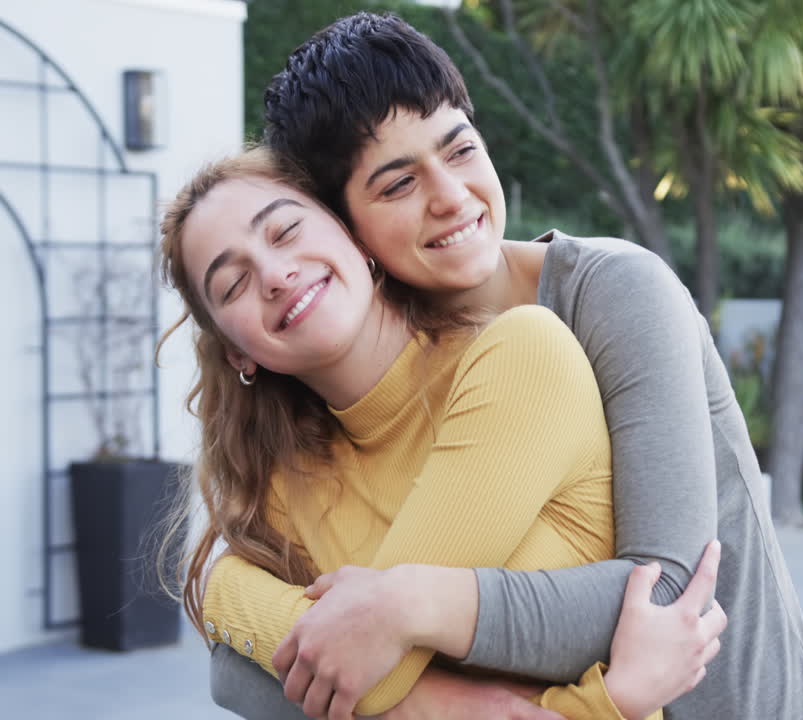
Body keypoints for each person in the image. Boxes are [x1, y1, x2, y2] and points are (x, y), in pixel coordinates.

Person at [210, 10, 803, 720]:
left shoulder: (614, 293)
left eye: (459, 149)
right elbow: (234, 670)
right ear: (344, 230)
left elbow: (668, 594)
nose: (451, 196)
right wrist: (428, 701)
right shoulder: (378, 382)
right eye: (398, 185)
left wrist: (404, 608)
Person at [160, 147, 726, 720]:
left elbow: (369, 667)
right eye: (233, 283)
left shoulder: (520, 358)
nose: (276, 275)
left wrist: (222, 589)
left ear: (356, 240)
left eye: (286, 231)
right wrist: (602, 704)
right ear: (238, 353)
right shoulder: (287, 483)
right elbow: (328, 660)